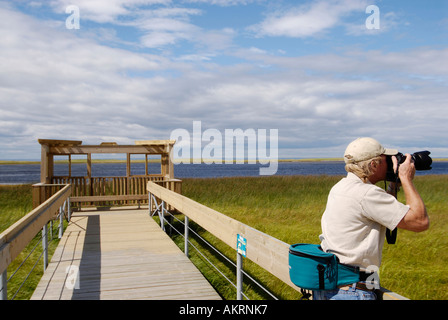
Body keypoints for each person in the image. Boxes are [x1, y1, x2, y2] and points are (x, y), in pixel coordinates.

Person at [313, 137, 429, 300]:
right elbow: (420, 221)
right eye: (385, 159)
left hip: (330, 285)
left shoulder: (340, 187)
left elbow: (377, 209)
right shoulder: (367, 194)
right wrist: (406, 178)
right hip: (352, 291)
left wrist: (393, 185)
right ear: (374, 165)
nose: (390, 162)